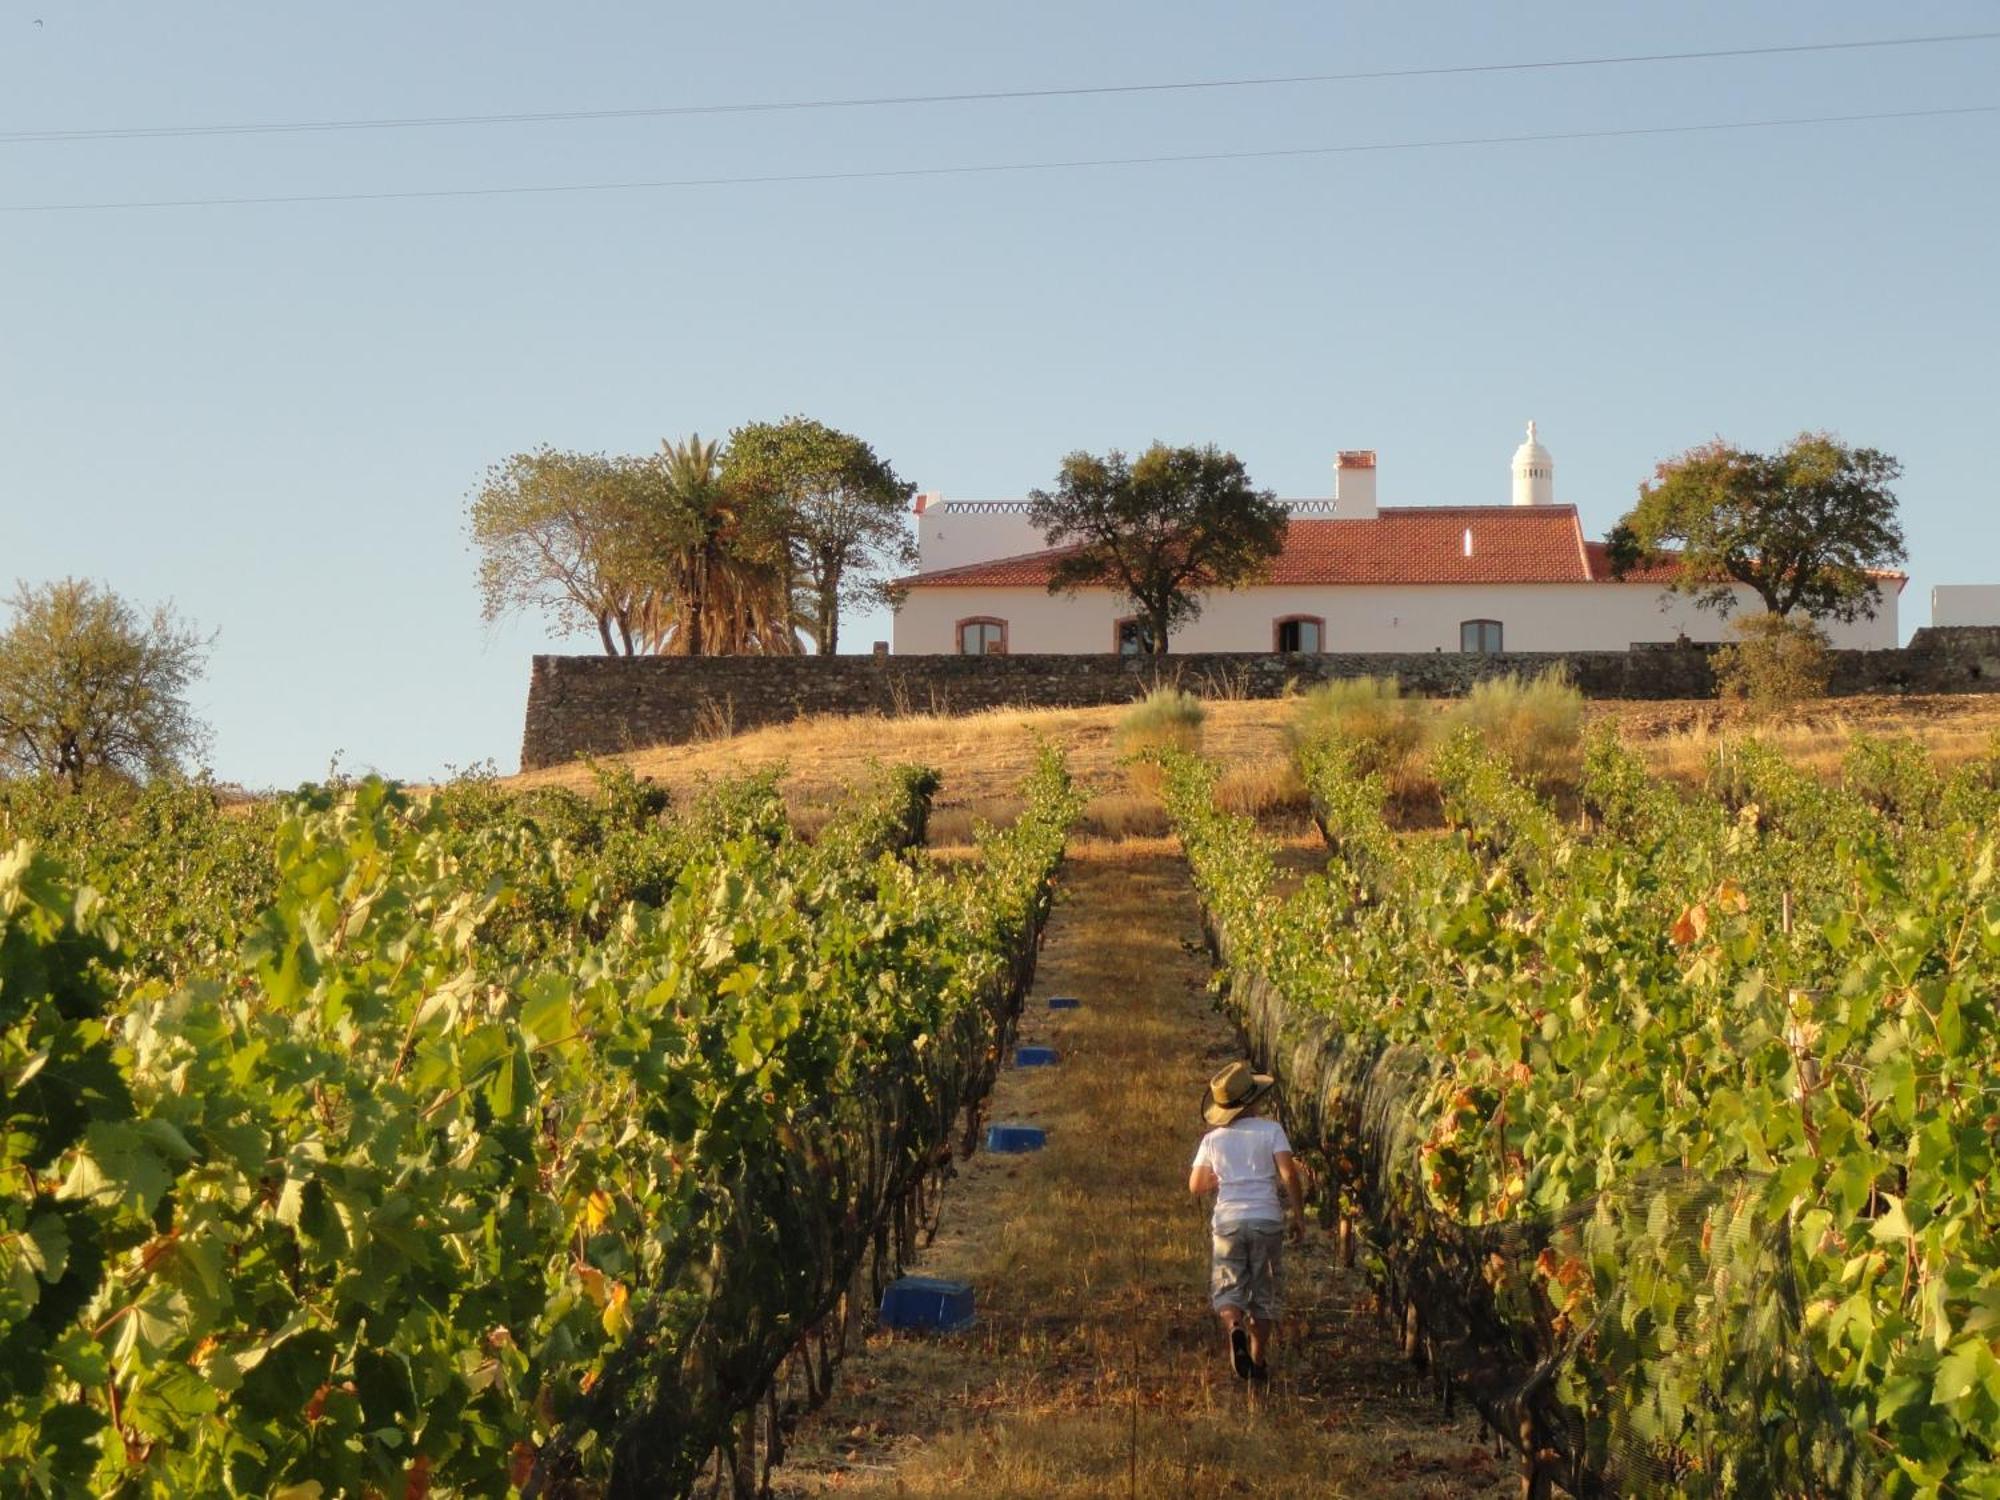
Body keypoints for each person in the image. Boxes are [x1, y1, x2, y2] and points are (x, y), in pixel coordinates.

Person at [1188, 1061, 1305, 1382]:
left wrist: (1220, 1179)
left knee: (1228, 1289)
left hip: (1228, 1222)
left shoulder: (1213, 1140)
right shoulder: (1271, 1130)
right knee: (1263, 1292)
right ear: (1253, 1099)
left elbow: (1196, 1185)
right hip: (1266, 1219)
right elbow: (1288, 1174)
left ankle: (1234, 1326)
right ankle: (1257, 1357)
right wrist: (1298, 1214)